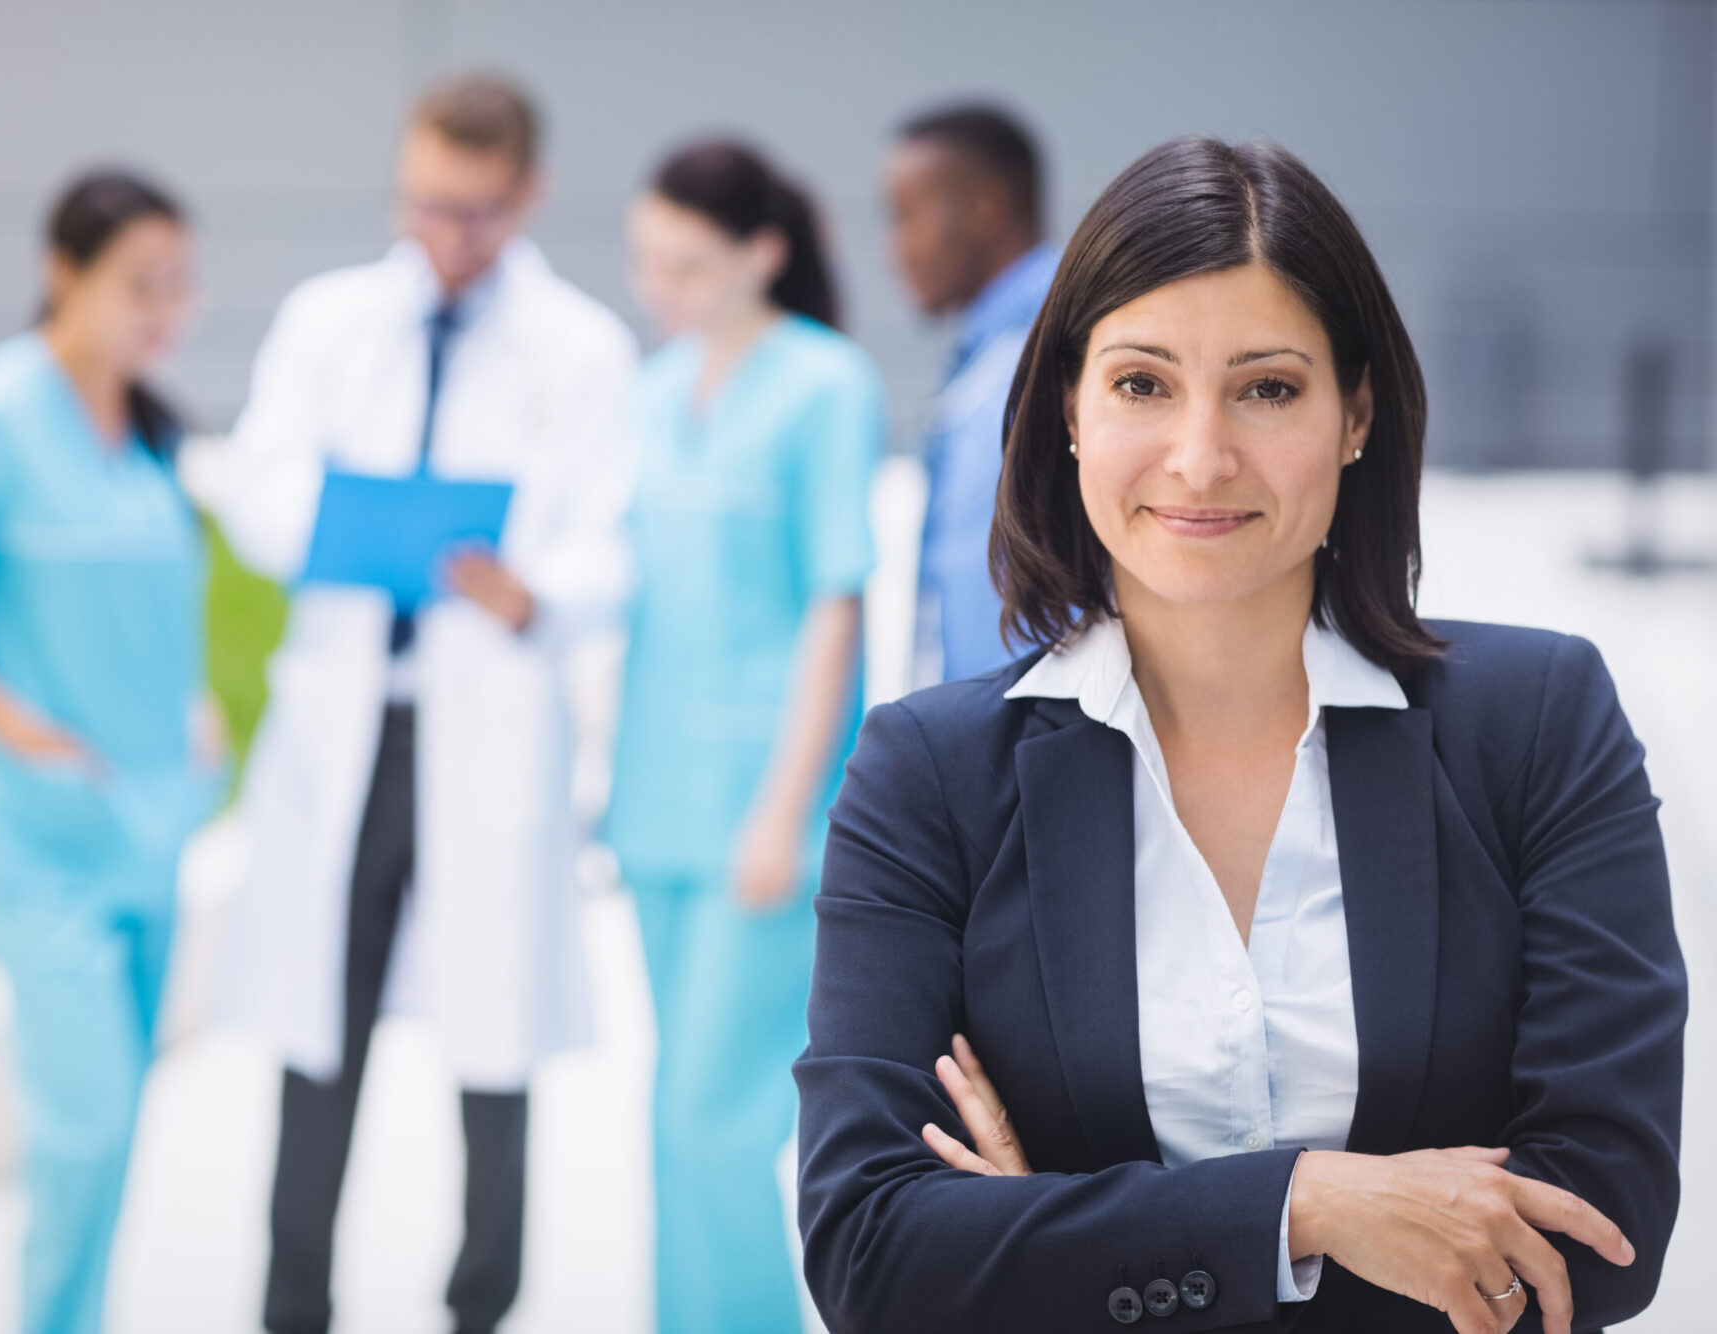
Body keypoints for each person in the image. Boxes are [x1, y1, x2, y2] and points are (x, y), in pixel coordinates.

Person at [796, 136, 1685, 1334]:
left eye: (1266, 388)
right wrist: (1309, 1204)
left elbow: (1601, 1228)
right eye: (1140, 384)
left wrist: (1048, 1243)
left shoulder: (1535, 723)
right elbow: (870, 1251)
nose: (1200, 457)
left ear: (1354, 412)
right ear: (1068, 407)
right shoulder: (928, 774)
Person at [213, 73, 638, 1334]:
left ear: (527, 195)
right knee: (319, 1031)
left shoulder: (582, 349)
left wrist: (532, 593)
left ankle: (479, 1302)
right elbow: (256, 481)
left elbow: (611, 545)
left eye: (474, 211)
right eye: (424, 204)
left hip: (489, 722)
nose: (444, 234)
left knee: (492, 1034)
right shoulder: (328, 317)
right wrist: (330, 523)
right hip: (347, 722)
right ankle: (293, 1305)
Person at [0, 169, 222, 1334]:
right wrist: (14, 724)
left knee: (118, 1122)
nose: (165, 309)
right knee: (87, 1118)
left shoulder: (148, 432)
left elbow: (141, 609)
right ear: (62, 272)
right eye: (140, 283)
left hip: (149, 824)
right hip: (39, 835)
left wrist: (192, 706)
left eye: (180, 283)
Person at [608, 139, 884, 1334]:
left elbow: (834, 602)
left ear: (762, 252)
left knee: (711, 1118)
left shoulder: (824, 385)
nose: (657, 289)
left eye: (686, 264)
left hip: (765, 808)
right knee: (669, 1110)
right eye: (645, 261)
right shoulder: (650, 390)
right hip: (652, 802)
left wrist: (786, 807)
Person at [884, 103, 1059, 685]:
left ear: (985, 208)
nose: (895, 248)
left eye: (907, 216)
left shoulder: (1067, 341)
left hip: (1036, 716)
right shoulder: (988, 350)